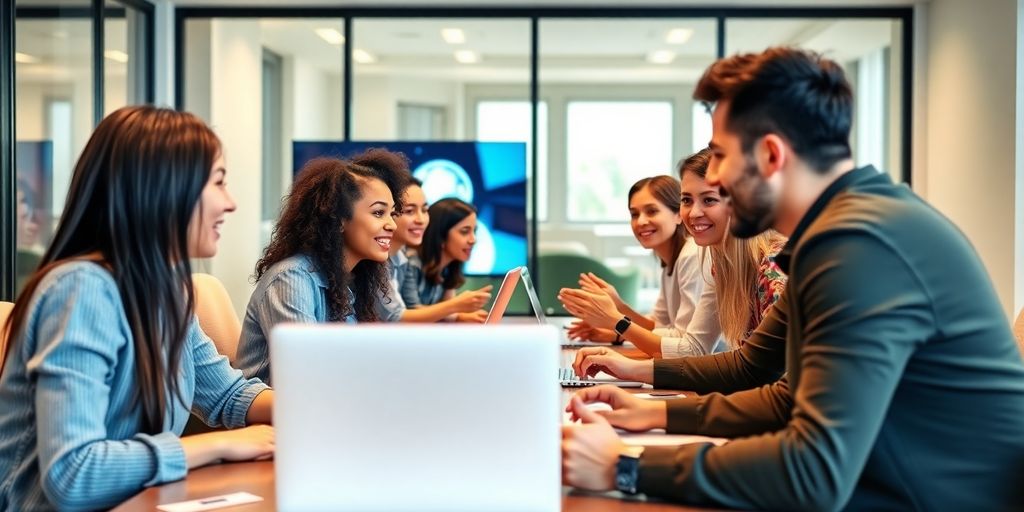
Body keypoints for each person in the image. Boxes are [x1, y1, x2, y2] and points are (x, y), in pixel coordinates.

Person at [562, 47, 1024, 510]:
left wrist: (626, 465)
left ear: (770, 154)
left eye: (720, 155)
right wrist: (656, 410)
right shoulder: (838, 232)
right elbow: (762, 379)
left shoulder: (861, 247)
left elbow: (812, 473)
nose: (716, 177)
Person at [0, 106, 274, 511]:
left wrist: (310, 409)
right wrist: (216, 445)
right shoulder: (83, 291)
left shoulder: (167, 293)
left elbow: (225, 395)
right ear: (165, 189)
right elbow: (73, 474)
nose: (230, 203)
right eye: (218, 182)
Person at [562, 151, 786, 359]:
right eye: (686, 200)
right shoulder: (719, 263)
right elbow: (666, 331)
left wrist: (617, 323)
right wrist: (618, 317)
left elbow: (691, 348)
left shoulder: (765, 268)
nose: (641, 222)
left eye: (709, 200)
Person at [234, 155, 408, 384]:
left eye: (392, 213)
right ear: (339, 220)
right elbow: (309, 372)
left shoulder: (345, 283)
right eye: (378, 213)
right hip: (278, 416)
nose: (392, 225)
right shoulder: (291, 279)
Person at [560, 174, 720, 355]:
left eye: (651, 211)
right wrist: (619, 309)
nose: (641, 221)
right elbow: (660, 324)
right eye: (634, 214)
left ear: (678, 215)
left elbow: (682, 339)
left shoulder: (691, 256)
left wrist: (617, 327)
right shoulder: (670, 261)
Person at [353, 151, 491, 324]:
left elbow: (405, 312)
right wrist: (456, 307)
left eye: (425, 210)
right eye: (409, 211)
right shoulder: (389, 260)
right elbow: (397, 316)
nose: (421, 219)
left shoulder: (400, 259)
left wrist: (457, 314)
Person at [402, 197, 491, 323]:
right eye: (465, 232)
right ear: (441, 236)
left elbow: (446, 313)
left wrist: (461, 317)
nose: (473, 239)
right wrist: (456, 305)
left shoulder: (448, 268)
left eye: (474, 231)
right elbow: (413, 314)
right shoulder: (410, 263)